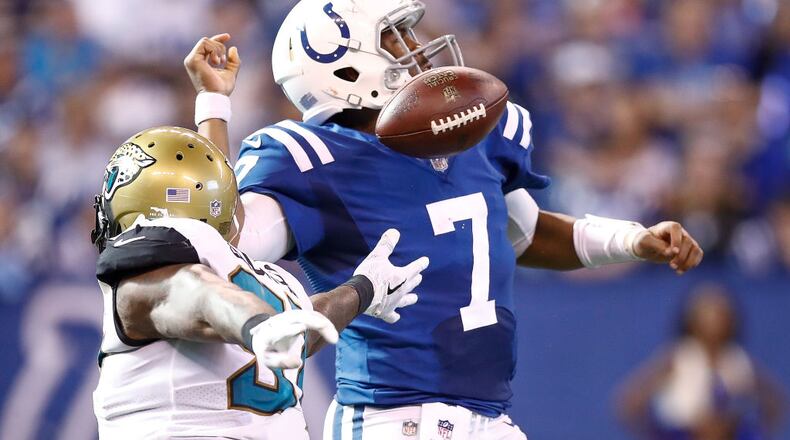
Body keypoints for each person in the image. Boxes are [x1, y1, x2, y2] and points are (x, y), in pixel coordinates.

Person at [183, 1, 704, 437]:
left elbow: (523, 234)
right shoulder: (314, 159)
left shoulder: (468, 135)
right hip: (393, 418)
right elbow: (226, 241)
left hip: (490, 418)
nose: (415, 48)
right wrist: (213, 105)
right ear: (342, 66)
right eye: (394, 37)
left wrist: (632, 240)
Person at [91, 126, 428, 438]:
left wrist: (362, 289)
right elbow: (201, 295)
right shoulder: (272, 280)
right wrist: (358, 292)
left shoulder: (201, 267)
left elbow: (295, 327)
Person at [617, 284, 786, 440]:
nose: (715, 320)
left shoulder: (738, 360)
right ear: (691, 319)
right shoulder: (677, 358)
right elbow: (629, 403)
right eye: (707, 312)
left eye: (721, 312)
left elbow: (774, 402)